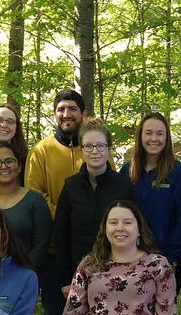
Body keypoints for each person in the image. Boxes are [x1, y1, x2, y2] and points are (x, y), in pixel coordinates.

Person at [25, 89, 85, 315]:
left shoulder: (93, 148)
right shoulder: (42, 151)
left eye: (72, 109)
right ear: (54, 114)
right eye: (61, 109)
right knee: (54, 312)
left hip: (89, 250)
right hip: (52, 249)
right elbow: (35, 196)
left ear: (82, 114)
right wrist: (70, 213)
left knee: (89, 311)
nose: (66, 114)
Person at [53, 120, 136, 290]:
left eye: (100, 146)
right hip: (80, 275)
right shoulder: (71, 187)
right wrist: (64, 280)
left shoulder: (124, 185)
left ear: (108, 149)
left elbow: (136, 230)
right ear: (81, 150)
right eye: (88, 146)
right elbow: (60, 236)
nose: (95, 151)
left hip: (118, 273)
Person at [120, 111, 181, 289]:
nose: (154, 138)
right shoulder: (127, 172)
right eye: (148, 133)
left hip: (166, 260)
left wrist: (172, 259)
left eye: (160, 133)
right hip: (130, 259)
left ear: (167, 137)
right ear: (140, 137)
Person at [0, 142, 51, 270]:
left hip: (24, 276)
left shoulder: (35, 200)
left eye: (9, 161)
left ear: (19, 166)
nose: (3, 166)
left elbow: (41, 245)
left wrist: (19, 274)